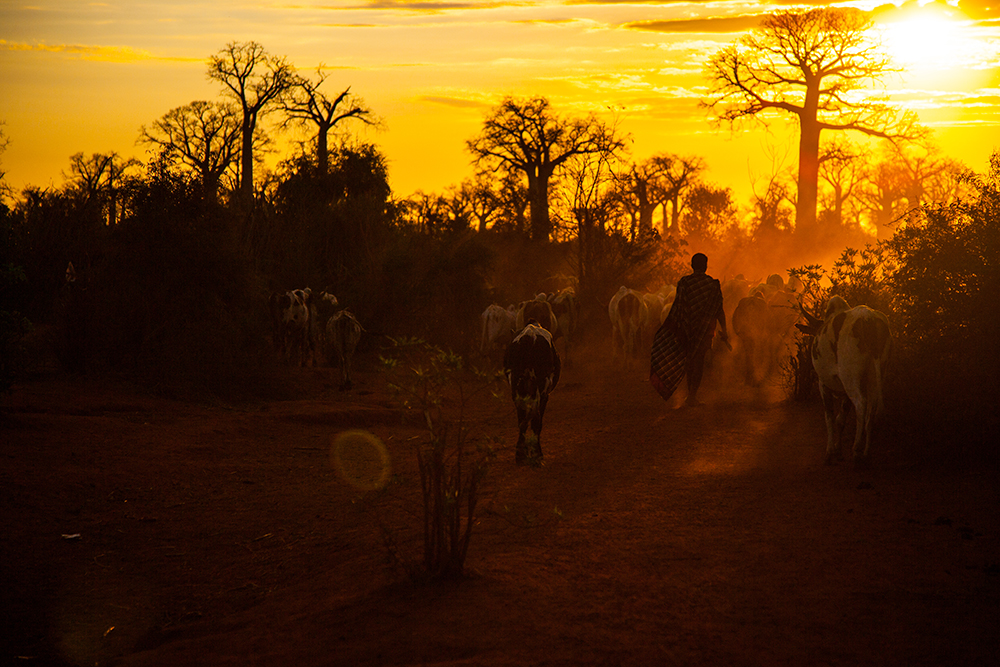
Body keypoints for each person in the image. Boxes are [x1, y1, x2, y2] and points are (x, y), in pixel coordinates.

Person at [650, 253, 729, 406]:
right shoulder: (713, 285)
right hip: (704, 331)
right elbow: (719, 310)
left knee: (689, 361)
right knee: (698, 361)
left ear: (692, 266)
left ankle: (690, 396)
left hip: (686, 329)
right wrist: (724, 330)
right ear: (705, 266)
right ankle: (692, 396)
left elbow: (677, 308)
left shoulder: (684, 283)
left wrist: (671, 328)